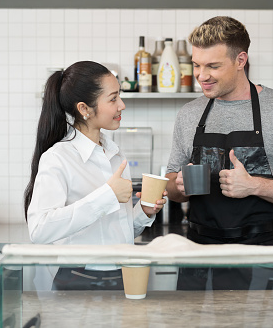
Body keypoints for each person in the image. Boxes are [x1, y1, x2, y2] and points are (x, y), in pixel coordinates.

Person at [165, 16, 273, 289]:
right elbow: (171, 184)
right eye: (197, 65)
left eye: (213, 66)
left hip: (263, 255)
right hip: (198, 254)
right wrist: (179, 185)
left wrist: (253, 186)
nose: (202, 76)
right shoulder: (189, 114)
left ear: (241, 61)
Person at [24, 61, 166, 290]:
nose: (122, 105)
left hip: (121, 278)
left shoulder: (115, 155)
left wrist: (143, 212)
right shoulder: (58, 158)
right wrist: (107, 196)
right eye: (113, 99)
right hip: (78, 281)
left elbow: (118, 232)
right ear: (84, 109)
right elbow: (39, 230)